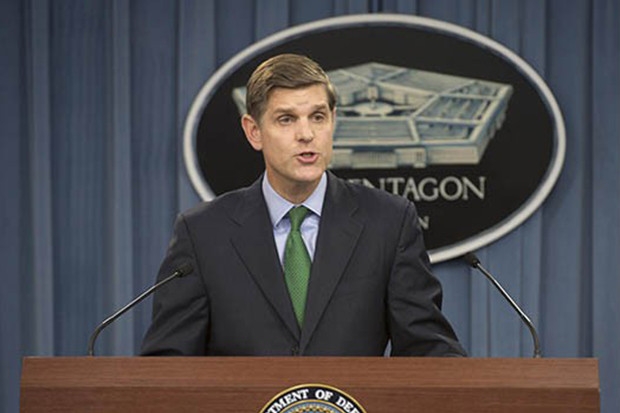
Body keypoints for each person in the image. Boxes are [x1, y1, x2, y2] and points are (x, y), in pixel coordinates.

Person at [141, 54, 466, 357]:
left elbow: (431, 352)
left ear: (333, 121)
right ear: (254, 132)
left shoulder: (388, 223)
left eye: (318, 117)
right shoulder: (203, 234)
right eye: (286, 119)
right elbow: (168, 364)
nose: (306, 134)